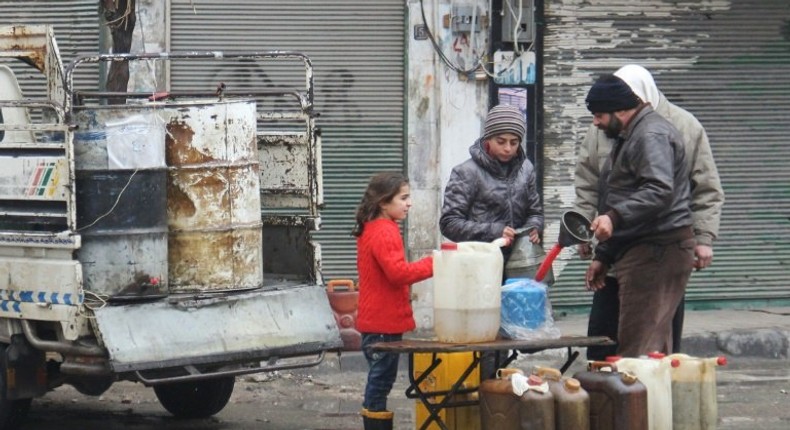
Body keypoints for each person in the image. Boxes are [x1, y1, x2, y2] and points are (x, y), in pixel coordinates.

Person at [575, 65, 724, 360]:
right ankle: (618, 399)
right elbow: (595, 186)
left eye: (600, 115)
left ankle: (637, 404)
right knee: (614, 343)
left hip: (656, 251)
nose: (595, 123)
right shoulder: (621, 131)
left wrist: (704, 236)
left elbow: (668, 191)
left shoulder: (657, 132)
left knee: (644, 350)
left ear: (622, 106)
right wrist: (600, 252)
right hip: (625, 248)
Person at [439, 104, 544, 377]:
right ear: (487, 139)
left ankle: (498, 388)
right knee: (483, 338)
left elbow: (535, 211)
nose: (508, 148)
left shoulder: (526, 170)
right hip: (480, 269)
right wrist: (494, 230)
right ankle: (482, 390)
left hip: (517, 269)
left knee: (512, 336)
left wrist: (534, 227)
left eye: (514, 142)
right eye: (501, 141)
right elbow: (449, 223)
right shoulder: (466, 172)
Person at [353, 172, 433, 430]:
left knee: (380, 381)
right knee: (379, 384)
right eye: (404, 197)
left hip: (375, 321)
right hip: (382, 325)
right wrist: (435, 263)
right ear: (383, 202)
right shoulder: (384, 231)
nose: (409, 203)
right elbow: (398, 274)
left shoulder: (372, 227)